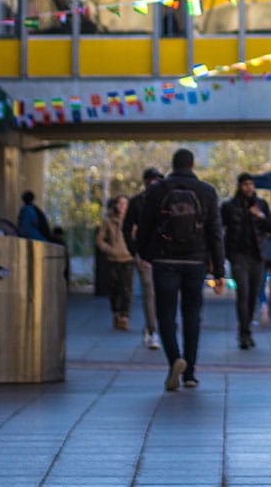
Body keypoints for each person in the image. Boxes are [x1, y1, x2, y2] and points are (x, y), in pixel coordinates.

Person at [136, 147, 224, 391]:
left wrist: (144, 254)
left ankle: (175, 360)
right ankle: (191, 374)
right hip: (196, 262)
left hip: (164, 260)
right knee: (192, 315)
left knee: (165, 314)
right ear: (193, 166)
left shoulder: (157, 190)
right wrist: (219, 272)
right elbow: (216, 233)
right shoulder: (206, 192)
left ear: (172, 166)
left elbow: (145, 226)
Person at [221, 172, 271, 349]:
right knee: (242, 294)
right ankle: (243, 332)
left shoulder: (261, 205)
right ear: (239, 186)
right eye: (246, 185)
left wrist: (260, 215)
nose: (249, 188)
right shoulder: (230, 206)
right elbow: (220, 229)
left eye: (251, 184)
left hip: (257, 256)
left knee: (253, 295)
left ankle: (247, 330)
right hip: (238, 256)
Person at [122, 167, 164, 349]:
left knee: (163, 293)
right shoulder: (137, 202)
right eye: (151, 180)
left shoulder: (167, 199)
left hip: (165, 253)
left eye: (157, 179)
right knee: (150, 292)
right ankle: (152, 330)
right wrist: (135, 252)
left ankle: (156, 327)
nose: (154, 183)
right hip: (145, 253)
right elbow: (126, 228)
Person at [95, 195, 135, 330]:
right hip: (112, 259)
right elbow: (100, 240)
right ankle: (116, 312)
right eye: (121, 203)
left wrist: (135, 251)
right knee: (114, 289)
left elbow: (137, 237)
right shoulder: (108, 222)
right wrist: (109, 250)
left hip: (128, 258)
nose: (123, 206)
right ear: (115, 205)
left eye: (126, 203)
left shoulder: (132, 221)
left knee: (127, 289)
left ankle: (125, 316)